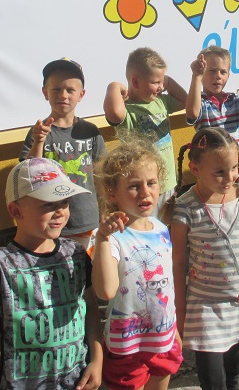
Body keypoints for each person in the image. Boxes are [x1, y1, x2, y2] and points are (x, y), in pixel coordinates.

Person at [0, 158, 103, 390]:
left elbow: (90, 307)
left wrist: (97, 359)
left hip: (76, 381)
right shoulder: (2, 262)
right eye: (48, 204)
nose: (60, 212)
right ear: (16, 211)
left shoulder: (75, 253)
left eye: (64, 202)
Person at [165, 128, 239, 390]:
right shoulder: (185, 207)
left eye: (234, 168)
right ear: (195, 169)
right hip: (205, 309)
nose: (229, 177)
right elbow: (178, 261)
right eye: (220, 171)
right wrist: (180, 308)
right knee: (213, 382)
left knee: (233, 376)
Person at [90, 136, 182, 390]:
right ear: (112, 193)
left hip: (163, 338)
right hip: (127, 344)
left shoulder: (161, 228)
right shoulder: (111, 238)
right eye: (134, 186)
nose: (145, 192)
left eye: (151, 183)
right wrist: (103, 239)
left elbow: (166, 285)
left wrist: (173, 327)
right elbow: (105, 291)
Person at [20, 58, 106, 247]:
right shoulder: (39, 132)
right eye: (56, 89)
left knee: (88, 265)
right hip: (51, 224)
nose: (63, 95)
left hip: (87, 221)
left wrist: (106, 210)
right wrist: (38, 141)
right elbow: (27, 174)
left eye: (70, 90)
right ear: (45, 93)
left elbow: (102, 176)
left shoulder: (90, 132)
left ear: (81, 95)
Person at [104, 47, 188, 206]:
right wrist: (113, 86)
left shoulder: (161, 101)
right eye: (156, 82)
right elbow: (114, 113)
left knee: (166, 221)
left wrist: (167, 81)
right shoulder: (128, 109)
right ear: (135, 82)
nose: (161, 87)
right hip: (143, 189)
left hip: (168, 183)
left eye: (162, 82)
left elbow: (185, 101)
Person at [185, 46, 239, 162]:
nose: (218, 76)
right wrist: (196, 76)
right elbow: (192, 113)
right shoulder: (200, 102)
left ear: (228, 76)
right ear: (202, 74)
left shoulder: (234, 99)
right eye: (212, 71)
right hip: (214, 167)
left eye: (223, 72)